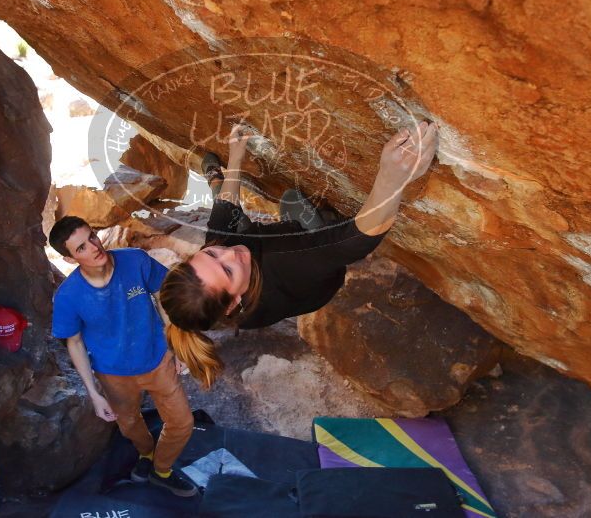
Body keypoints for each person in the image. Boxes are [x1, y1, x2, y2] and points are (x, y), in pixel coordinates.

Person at [160, 122, 439, 387]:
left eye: (211, 254)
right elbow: (355, 241)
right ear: (233, 303)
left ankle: (214, 178)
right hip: (317, 279)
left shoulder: (219, 282)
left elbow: (225, 208)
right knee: (293, 201)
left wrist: (236, 154)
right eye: (227, 271)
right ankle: (313, 223)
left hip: (283, 280)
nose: (232, 253)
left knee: (230, 220)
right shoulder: (285, 261)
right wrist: (393, 178)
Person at [49, 217, 197, 497]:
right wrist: (93, 393)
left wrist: (176, 345)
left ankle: (161, 469)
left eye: (92, 237)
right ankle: (146, 455)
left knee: (182, 423)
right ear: (70, 259)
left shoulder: (135, 261)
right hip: (113, 374)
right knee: (129, 423)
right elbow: (75, 342)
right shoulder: (68, 296)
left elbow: (163, 296)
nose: (94, 247)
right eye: (81, 248)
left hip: (156, 359)